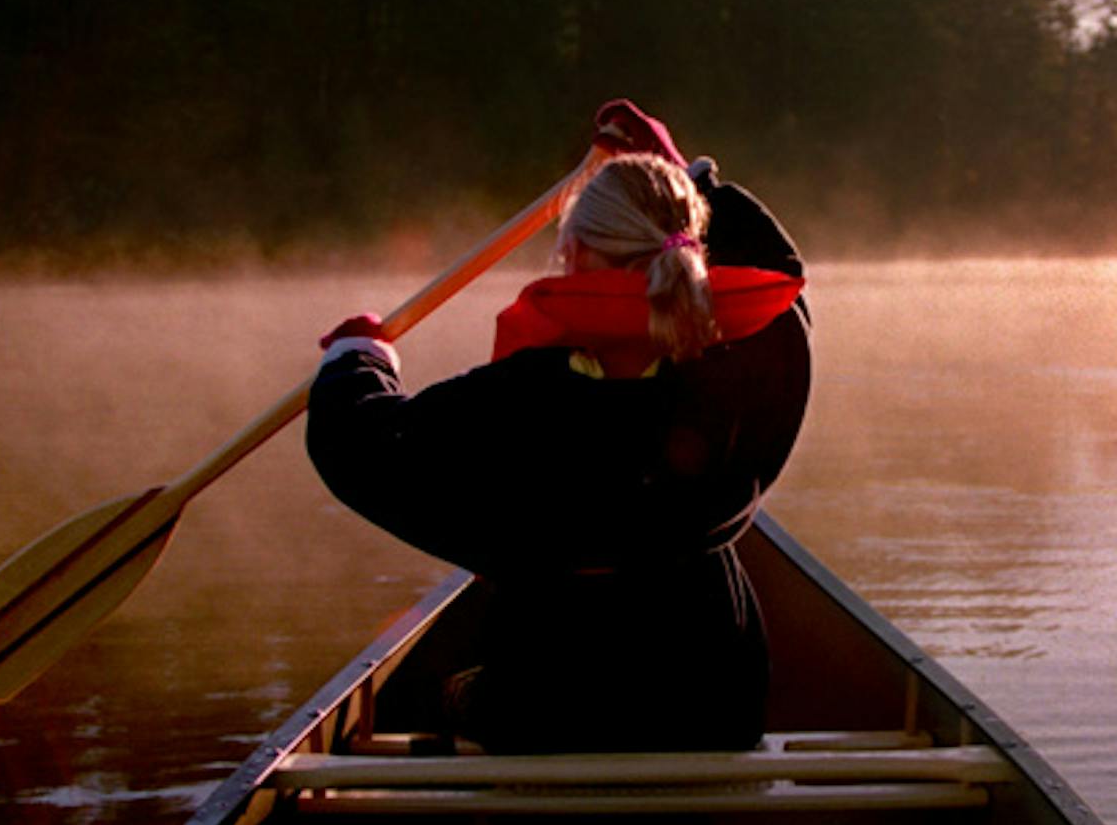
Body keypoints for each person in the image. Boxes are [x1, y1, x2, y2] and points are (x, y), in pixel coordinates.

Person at [306, 100, 810, 754]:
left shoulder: (514, 404)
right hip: (713, 705)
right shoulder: (739, 385)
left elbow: (362, 447)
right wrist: (692, 176)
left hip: (550, 714)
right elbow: (782, 286)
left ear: (571, 254)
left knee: (457, 696)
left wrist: (359, 359)